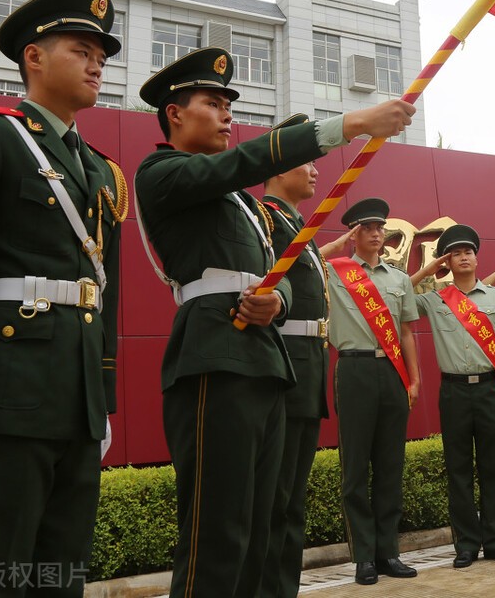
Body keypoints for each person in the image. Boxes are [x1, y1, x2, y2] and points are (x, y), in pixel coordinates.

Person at [134, 46, 413, 598]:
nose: (226, 115)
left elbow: (275, 274)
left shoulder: (239, 204)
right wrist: (352, 123)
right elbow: (235, 165)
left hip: (265, 357)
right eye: (213, 103)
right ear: (175, 113)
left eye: (228, 105)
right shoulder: (163, 172)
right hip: (216, 352)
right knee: (218, 530)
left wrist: (278, 302)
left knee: (260, 526)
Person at [0, 0, 125, 597]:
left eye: (102, 55)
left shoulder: (100, 170)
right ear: (33, 57)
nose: (96, 64)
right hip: (9, 394)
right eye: (80, 49)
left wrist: (104, 398)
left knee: (62, 569)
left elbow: (101, 289)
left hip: (78, 397)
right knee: (0, 567)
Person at [325, 197, 421, 585]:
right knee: (355, 467)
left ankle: (388, 553)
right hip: (355, 369)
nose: (377, 233)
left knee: (390, 466)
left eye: (380, 227)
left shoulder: (399, 279)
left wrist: (413, 380)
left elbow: (408, 332)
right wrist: (334, 246)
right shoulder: (334, 271)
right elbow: (298, 259)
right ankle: (363, 556)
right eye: (367, 227)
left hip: (392, 372)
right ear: (353, 233)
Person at [256, 115, 332, 598]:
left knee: (292, 498)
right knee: (273, 496)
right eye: (306, 160)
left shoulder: (296, 223)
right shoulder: (264, 218)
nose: (316, 171)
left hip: (309, 367)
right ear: (278, 163)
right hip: (284, 366)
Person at [413, 225, 495, 569]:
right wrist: (430, 271)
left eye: (467, 251)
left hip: (491, 390)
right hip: (453, 391)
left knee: (493, 467)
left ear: (476, 256)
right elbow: (397, 295)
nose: (463, 257)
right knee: (458, 469)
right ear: (448, 259)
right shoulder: (436, 298)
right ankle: (466, 544)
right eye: (455, 253)